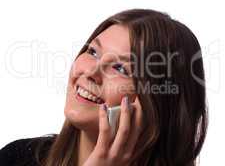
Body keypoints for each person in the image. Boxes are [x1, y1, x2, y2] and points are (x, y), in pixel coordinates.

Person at [0, 9, 208, 166]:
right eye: (92, 52)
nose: (91, 72)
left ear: (158, 104)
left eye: (121, 68)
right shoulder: (17, 158)